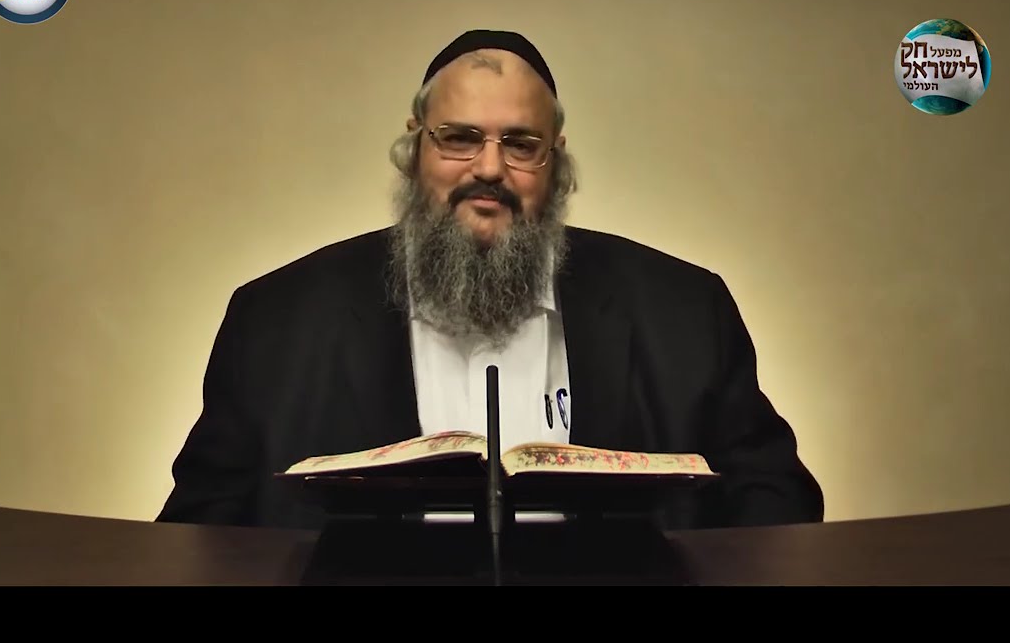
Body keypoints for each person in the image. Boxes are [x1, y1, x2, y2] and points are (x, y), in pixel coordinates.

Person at [156, 29, 823, 530]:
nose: (490, 168)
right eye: (460, 138)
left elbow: (777, 503)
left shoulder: (684, 312)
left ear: (555, 162)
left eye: (521, 144)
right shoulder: (276, 319)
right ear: (415, 146)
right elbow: (201, 532)